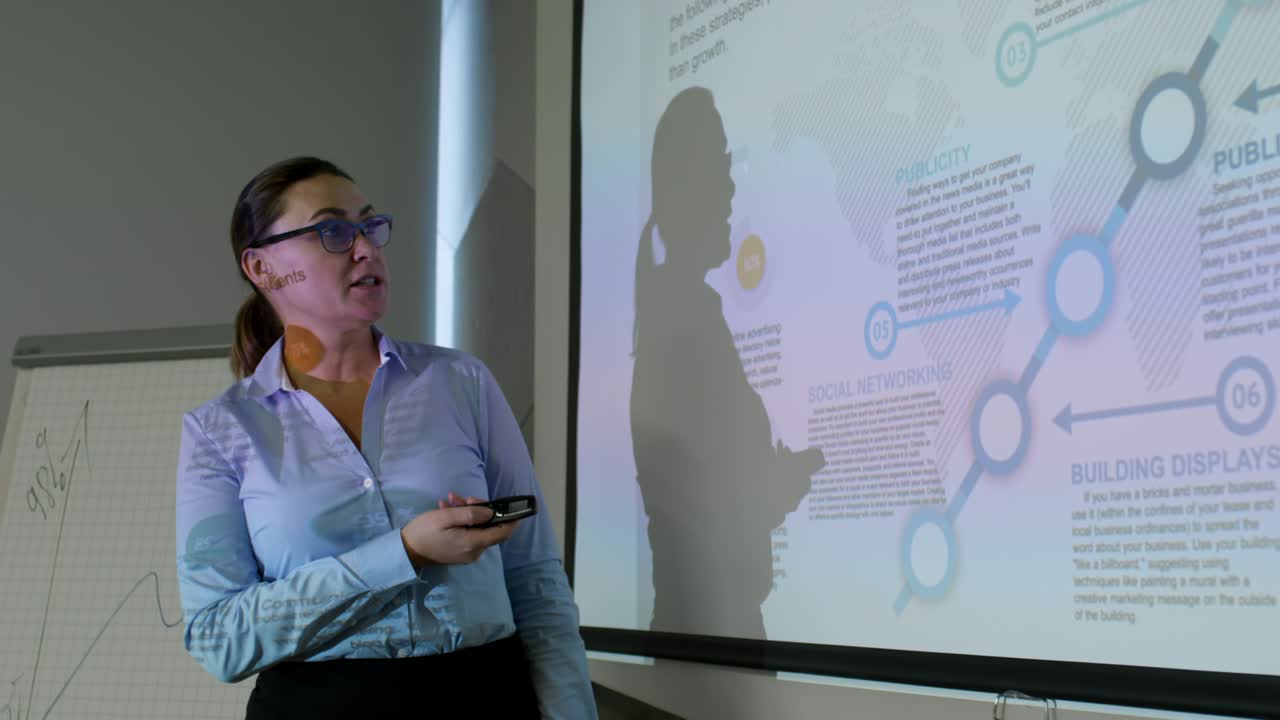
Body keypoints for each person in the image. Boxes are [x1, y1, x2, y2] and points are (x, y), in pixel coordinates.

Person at [174, 156, 597, 719]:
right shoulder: (220, 431)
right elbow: (218, 638)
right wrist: (404, 552)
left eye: (370, 226)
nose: (366, 249)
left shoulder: (461, 382)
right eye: (332, 231)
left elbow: (535, 578)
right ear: (262, 267)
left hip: (488, 695)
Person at [630, 87, 825, 640]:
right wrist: (781, 482)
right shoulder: (685, 322)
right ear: (686, 188)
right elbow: (711, 510)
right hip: (712, 641)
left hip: (709, 634)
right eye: (719, 167)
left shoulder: (678, 312)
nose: (732, 186)